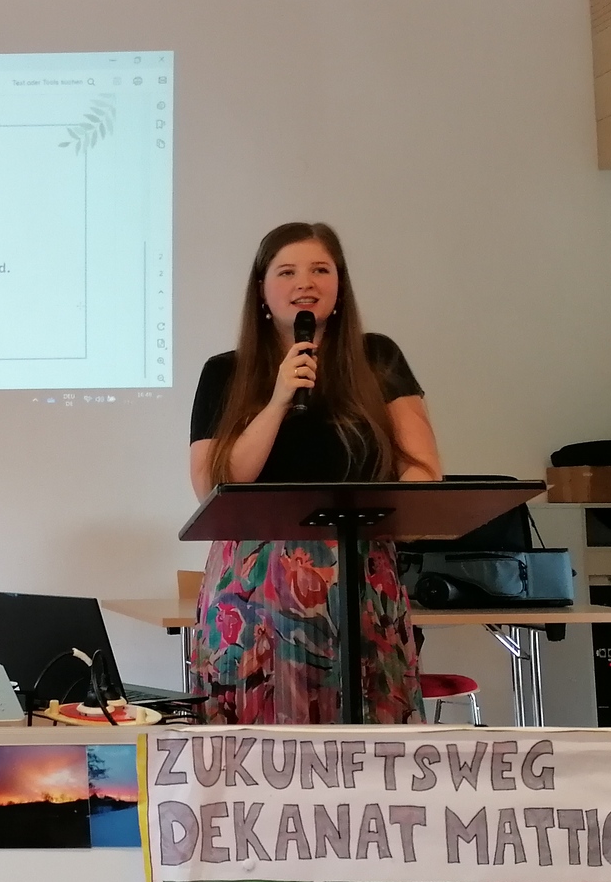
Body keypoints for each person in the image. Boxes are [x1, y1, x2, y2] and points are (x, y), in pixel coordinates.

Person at [187, 222, 441, 725]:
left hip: (359, 574)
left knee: (366, 741)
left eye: (320, 270)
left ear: (339, 285)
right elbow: (213, 486)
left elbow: (423, 469)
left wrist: (399, 512)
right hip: (253, 591)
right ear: (262, 291)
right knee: (256, 744)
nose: (305, 282)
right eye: (287, 272)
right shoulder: (225, 371)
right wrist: (279, 398)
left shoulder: (378, 358)